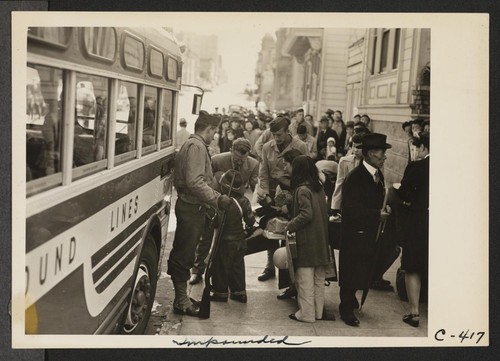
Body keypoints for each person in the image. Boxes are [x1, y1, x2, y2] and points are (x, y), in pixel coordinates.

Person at [167, 110, 232, 317]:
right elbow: (195, 182)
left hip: (193, 207)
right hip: (190, 208)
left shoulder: (194, 144)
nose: (215, 136)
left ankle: (182, 297)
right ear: (209, 128)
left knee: (186, 252)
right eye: (214, 131)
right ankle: (181, 300)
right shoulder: (196, 147)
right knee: (184, 254)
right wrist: (217, 199)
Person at [338, 132, 392, 327]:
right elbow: (351, 209)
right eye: (381, 152)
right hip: (354, 234)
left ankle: (351, 299)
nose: (384, 156)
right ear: (369, 153)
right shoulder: (356, 178)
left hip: (368, 233)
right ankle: (345, 308)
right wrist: (377, 215)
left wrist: (383, 209)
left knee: (361, 268)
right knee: (350, 269)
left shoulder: (377, 175)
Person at [189, 138, 259, 284]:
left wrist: (258, 204)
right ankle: (197, 270)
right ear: (231, 151)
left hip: (234, 207)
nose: (239, 161)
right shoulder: (216, 160)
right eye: (236, 157)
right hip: (214, 202)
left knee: (226, 243)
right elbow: (205, 180)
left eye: (243, 158)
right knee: (205, 237)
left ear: (248, 155)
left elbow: (255, 188)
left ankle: (222, 275)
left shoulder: (253, 165)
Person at [256, 116, 308, 284]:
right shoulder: (266, 147)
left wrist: (291, 196)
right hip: (272, 193)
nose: (276, 138)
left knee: (291, 234)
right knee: (271, 230)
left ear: (288, 131)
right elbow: (263, 173)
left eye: (279, 134)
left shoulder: (300, 146)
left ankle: (288, 280)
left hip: (294, 193)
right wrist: (264, 192)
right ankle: (270, 266)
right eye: (274, 135)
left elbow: (306, 175)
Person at [286, 155, 331, 323]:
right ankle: (318, 312)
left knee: (304, 279)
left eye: (290, 166)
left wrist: (290, 225)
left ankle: (306, 314)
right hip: (320, 241)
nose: (287, 169)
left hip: (307, 241)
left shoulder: (302, 190)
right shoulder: (319, 188)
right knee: (319, 279)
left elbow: (306, 214)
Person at [397, 132, 429, 327]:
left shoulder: (416, 167)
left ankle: (414, 313)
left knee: (412, 266)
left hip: (419, 220)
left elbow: (404, 193)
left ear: (424, 148)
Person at [210, 170, 256, 303]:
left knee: (220, 267)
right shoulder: (244, 201)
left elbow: (215, 222)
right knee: (237, 267)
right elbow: (250, 221)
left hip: (225, 242)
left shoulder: (224, 203)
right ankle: (239, 292)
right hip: (240, 241)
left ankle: (221, 292)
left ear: (224, 187)